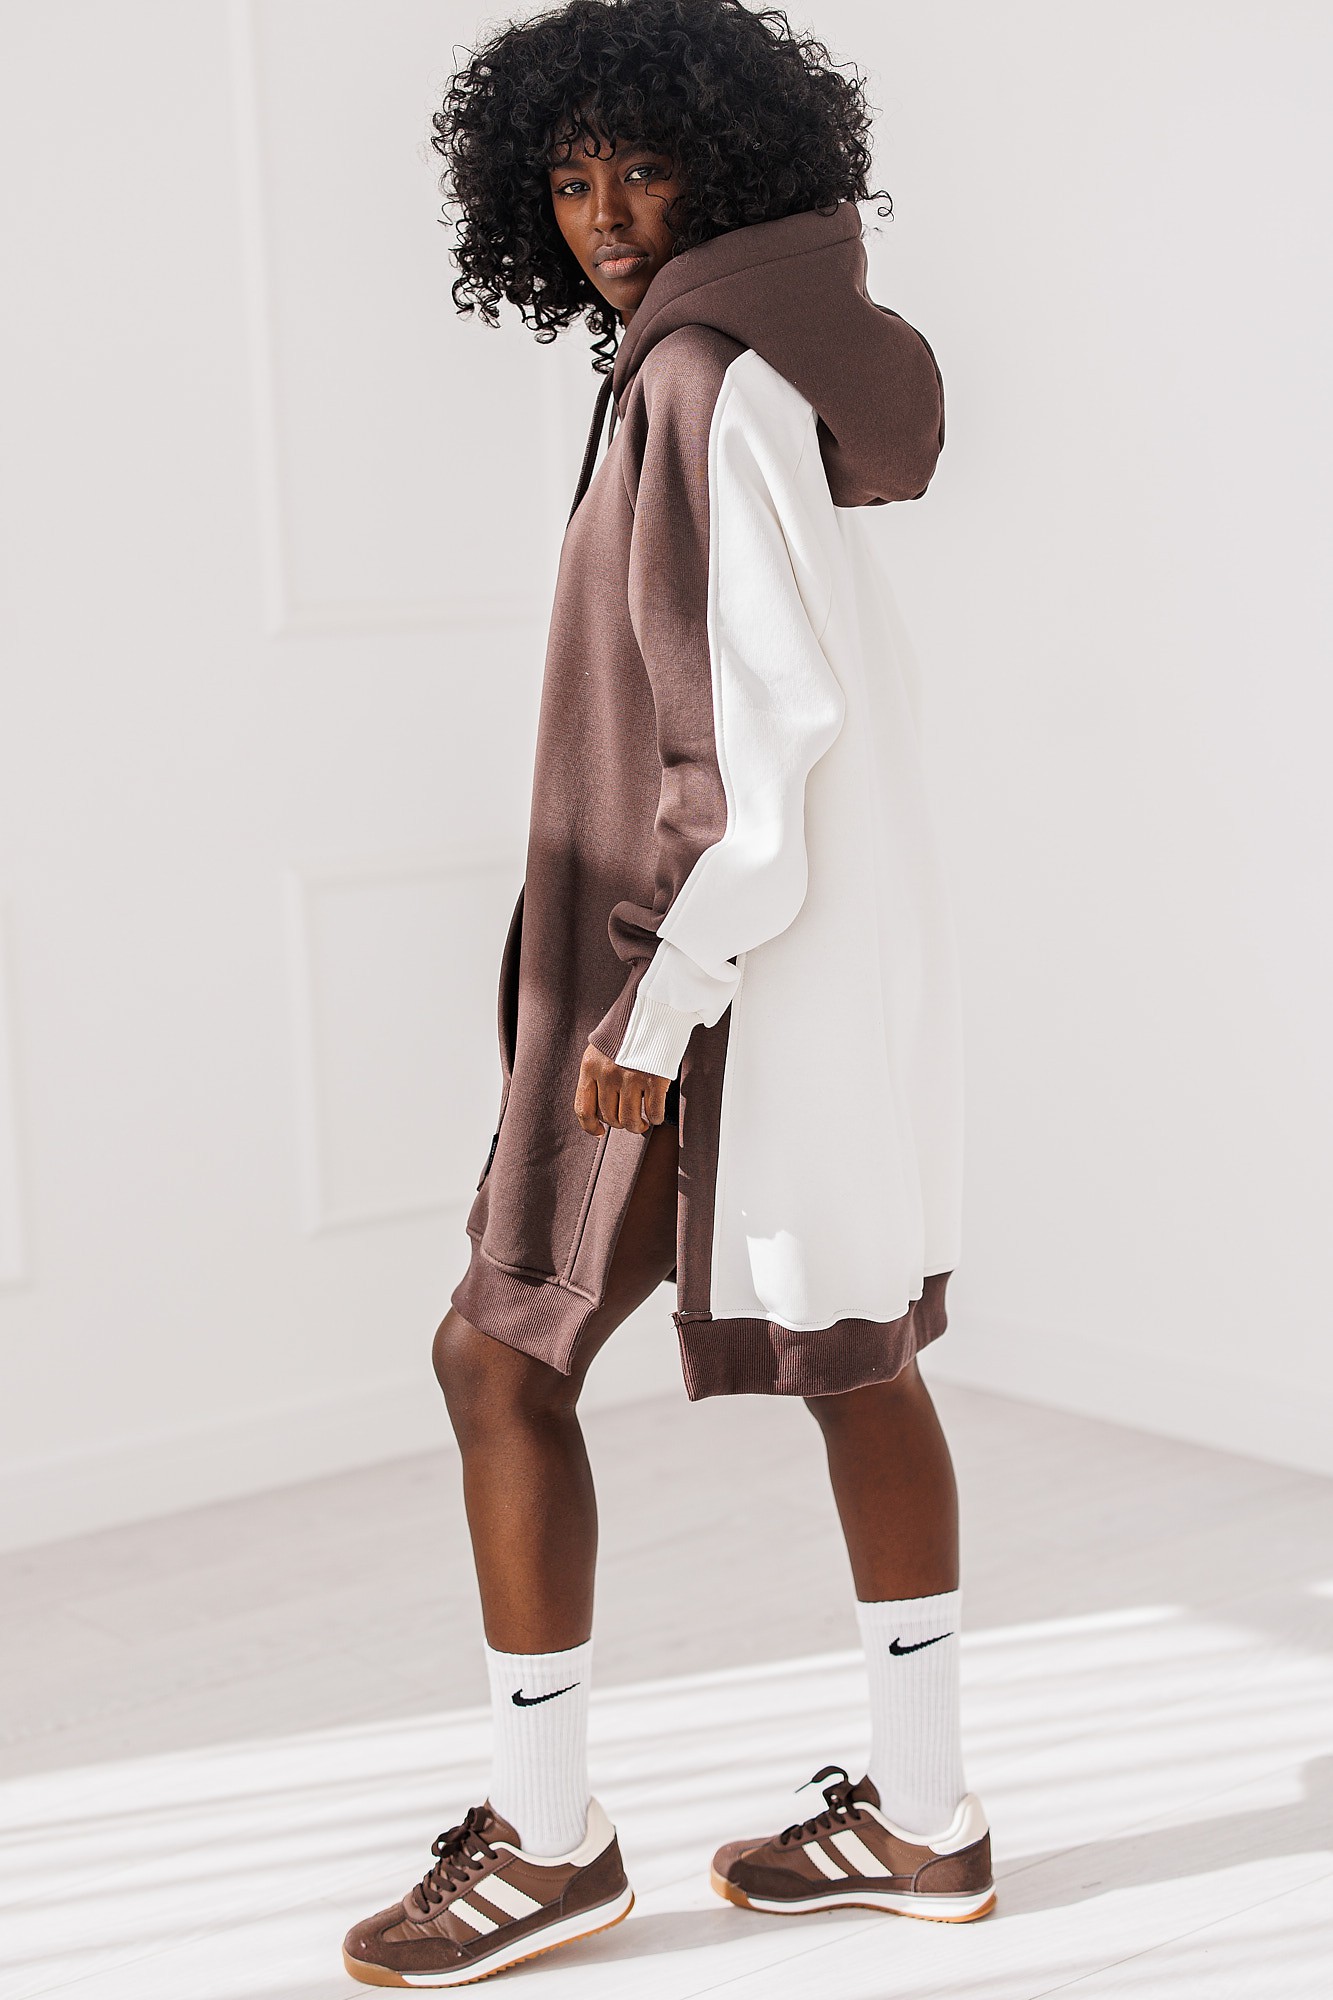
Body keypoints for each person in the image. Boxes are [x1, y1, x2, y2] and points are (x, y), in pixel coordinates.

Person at [343, 0, 993, 1985]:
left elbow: (754, 740)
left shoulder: (702, 379)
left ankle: (547, 1844)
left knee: (496, 1359)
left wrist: (654, 1006)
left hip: (693, 975)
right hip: (784, 967)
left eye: (643, 166)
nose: (605, 214)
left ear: (733, 165)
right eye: (567, 178)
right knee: (857, 1355)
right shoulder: (739, 363)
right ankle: (925, 1819)